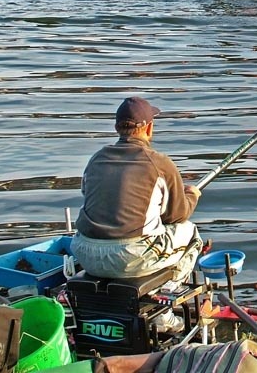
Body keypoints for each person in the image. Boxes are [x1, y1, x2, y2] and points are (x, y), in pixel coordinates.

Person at [71, 97, 203, 286]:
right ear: (149, 128)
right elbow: (176, 215)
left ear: (117, 128)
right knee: (190, 232)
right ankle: (165, 301)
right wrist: (192, 195)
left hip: (84, 253)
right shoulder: (159, 163)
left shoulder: (96, 159)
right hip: (127, 257)